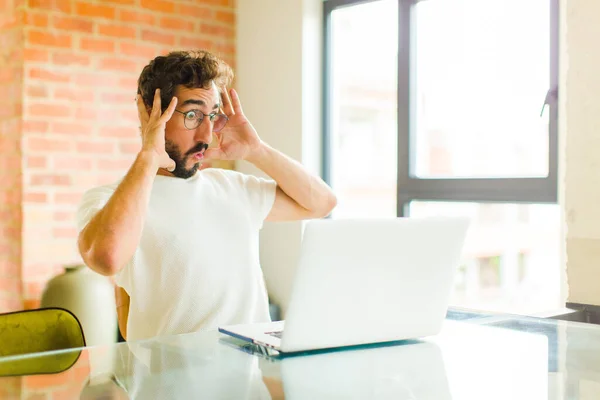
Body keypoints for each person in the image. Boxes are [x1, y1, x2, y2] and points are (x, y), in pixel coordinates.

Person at [76, 50, 337, 341]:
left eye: (212, 116)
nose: (207, 134)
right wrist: (149, 154)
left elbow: (321, 203)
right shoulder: (107, 199)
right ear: (151, 114)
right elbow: (107, 257)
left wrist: (257, 150)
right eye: (192, 115)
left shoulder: (231, 187)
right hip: (167, 384)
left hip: (247, 383)